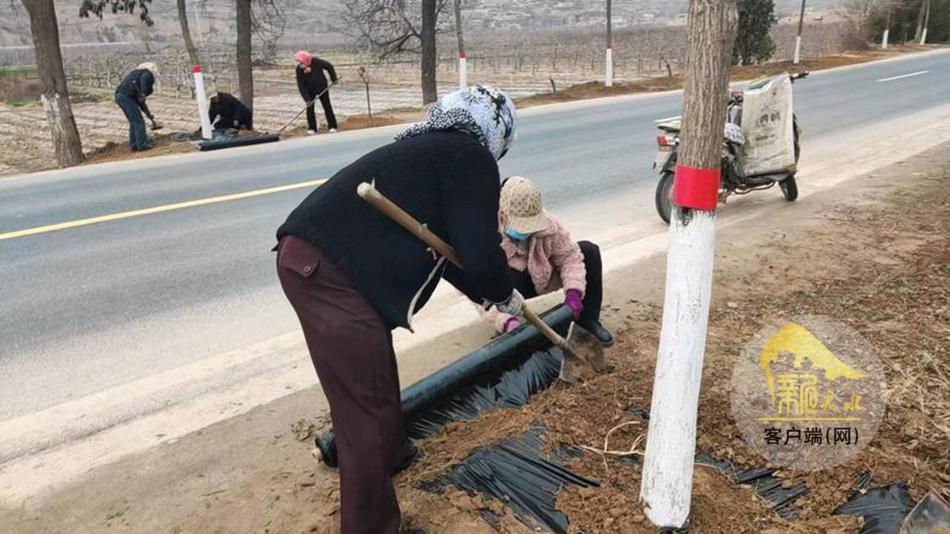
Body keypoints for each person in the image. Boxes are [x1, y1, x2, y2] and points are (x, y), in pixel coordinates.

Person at [275, 85, 521, 533]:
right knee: (362, 413)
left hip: (314, 263)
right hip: (328, 273)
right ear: (496, 134)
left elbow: (451, 255)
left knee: (375, 377)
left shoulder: (436, 153)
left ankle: (392, 453)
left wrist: (493, 295)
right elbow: (480, 253)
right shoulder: (469, 157)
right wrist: (503, 292)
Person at [473, 176, 614, 346]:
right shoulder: (484, 231)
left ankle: (587, 321)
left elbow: (569, 258)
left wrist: (574, 293)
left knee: (588, 251)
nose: (526, 231)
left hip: (543, 276)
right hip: (509, 287)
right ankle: (508, 326)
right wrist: (505, 321)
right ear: (503, 214)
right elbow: (477, 288)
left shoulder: (549, 224)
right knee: (490, 277)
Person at [115, 62, 158, 152]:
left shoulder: (135, 77)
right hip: (126, 97)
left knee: (133, 122)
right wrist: (144, 92)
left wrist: (149, 114)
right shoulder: (146, 73)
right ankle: (142, 145)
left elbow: (141, 103)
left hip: (120, 96)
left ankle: (134, 144)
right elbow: (144, 80)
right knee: (139, 122)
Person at [294, 50, 338, 135]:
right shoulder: (299, 69)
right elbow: (301, 86)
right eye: (299, 62)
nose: (300, 64)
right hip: (309, 90)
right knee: (310, 108)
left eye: (301, 62)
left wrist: (334, 79)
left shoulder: (317, 62)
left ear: (305, 60)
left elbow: (329, 66)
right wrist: (307, 99)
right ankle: (312, 128)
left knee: (327, 106)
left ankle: (333, 126)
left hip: (322, 87)